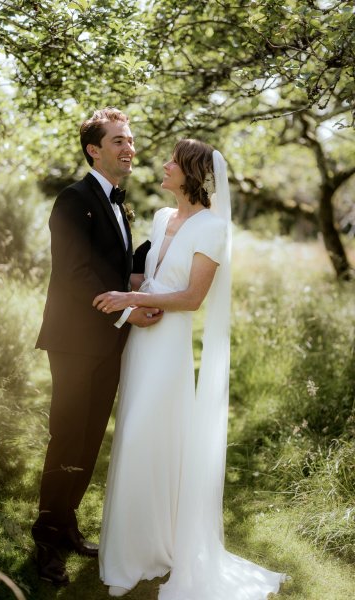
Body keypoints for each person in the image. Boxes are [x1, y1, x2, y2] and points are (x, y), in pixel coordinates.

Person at [93, 139, 286, 599]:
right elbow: (151, 274)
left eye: (172, 163)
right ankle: (141, 547)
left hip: (169, 348)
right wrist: (126, 289)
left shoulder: (213, 228)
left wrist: (132, 298)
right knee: (134, 438)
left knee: (148, 435)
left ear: (192, 173)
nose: (162, 166)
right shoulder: (162, 218)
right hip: (140, 341)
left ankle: (148, 552)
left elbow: (191, 299)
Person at [32, 107, 162, 586]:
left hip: (107, 343)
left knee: (88, 440)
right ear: (94, 149)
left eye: (130, 141)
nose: (130, 149)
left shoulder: (117, 201)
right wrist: (128, 309)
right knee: (67, 436)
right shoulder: (72, 200)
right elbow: (74, 273)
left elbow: (115, 267)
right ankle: (45, 542)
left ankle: (66, 525)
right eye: (119, 141)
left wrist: (161, 249)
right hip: (73, 342)